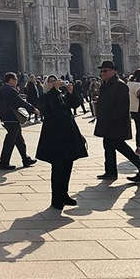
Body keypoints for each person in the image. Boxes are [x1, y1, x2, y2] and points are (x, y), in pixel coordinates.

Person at [36, 76, 88, 209]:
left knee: (68, 165)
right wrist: (54, 90)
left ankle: (64, 194)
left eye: (55, 81)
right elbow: (49, 110)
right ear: (46, 84)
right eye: (51, 81)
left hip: (68, 135)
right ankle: (56, 198)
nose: (54, 83)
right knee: (58, 167)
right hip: (55, 137)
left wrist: (71, 92)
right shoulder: (45, 97)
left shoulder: (61, 95)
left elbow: (75, 104)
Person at [94, 61, 140, 180]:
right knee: (108, 146)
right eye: (101, 71)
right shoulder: (105, 85)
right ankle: (110, 172)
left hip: (116, 123)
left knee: (120, 146)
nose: (102, 73)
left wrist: (112, 119)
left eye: (105, 71)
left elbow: (122, 106)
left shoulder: (120, 85)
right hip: (107, 121)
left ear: (113, 71)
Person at [0, 72, 39, 170]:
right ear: (11, 80)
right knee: (10, 140)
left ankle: (25, 159)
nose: (17, 81)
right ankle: (3, 162)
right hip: (11, 117)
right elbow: (20, 101)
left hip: (7, 117)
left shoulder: (3, 89)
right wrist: (33, 109)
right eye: (15, 79)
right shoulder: (9, 89)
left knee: (19, 139)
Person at [127, 69, 140, 157]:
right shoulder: (137, 85)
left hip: (132, 109)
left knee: (139, 129)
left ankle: (139, 148)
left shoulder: (129, 84)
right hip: (139, 109)